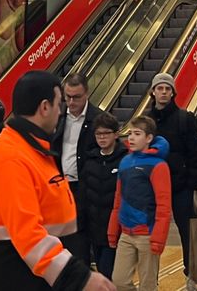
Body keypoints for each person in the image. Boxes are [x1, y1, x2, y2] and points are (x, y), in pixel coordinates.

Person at [0, 70, 112, 291]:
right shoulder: (11, 158)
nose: (62, 111)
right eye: (59, 103)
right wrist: (79, 278)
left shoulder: (34, 150)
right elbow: (28, 234)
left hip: (41, 280)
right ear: (44, 107)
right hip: (19, 281)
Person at [147, 74, 197, 290]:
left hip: (181, 187)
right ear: (153, 92)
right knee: (151, 232)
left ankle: (192, 276)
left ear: (172, 93)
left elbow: (196, 153)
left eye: (167, 89)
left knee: (187, 231)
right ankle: (150, 278)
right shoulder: (147, 121)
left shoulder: (184, 118)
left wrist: (192, 183)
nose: (163, 92)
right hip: (153, 188)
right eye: (159, 88)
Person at [107, 115, 171, 291]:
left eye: (137, 133)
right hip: (126, 234)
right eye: (130, 134)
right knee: (119, 281)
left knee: (148, 285)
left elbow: (164, 205)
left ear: (149, 138)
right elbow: (118, 199)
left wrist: (158, 238)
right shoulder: (125, 162)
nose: (131, 138)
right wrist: (113, 230)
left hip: (147, 234)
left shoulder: (158, 166)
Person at [56, 72, 102, 263]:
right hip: (58, 187)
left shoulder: (97, 119)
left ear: (87, 94)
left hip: (84, 189)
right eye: (68, 97)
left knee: (79, 243)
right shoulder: (56, 116)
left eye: (77, 97)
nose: (71, 102)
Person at [80, 112, 126, 280]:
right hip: (94, 228)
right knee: (101, 269)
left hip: (116, 229)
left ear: (116, 134)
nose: (102, 137)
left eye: (106, 133)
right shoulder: (91, 159)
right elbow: (84, 192)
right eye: (98, 134)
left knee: (109, 273)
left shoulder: (125, 159)